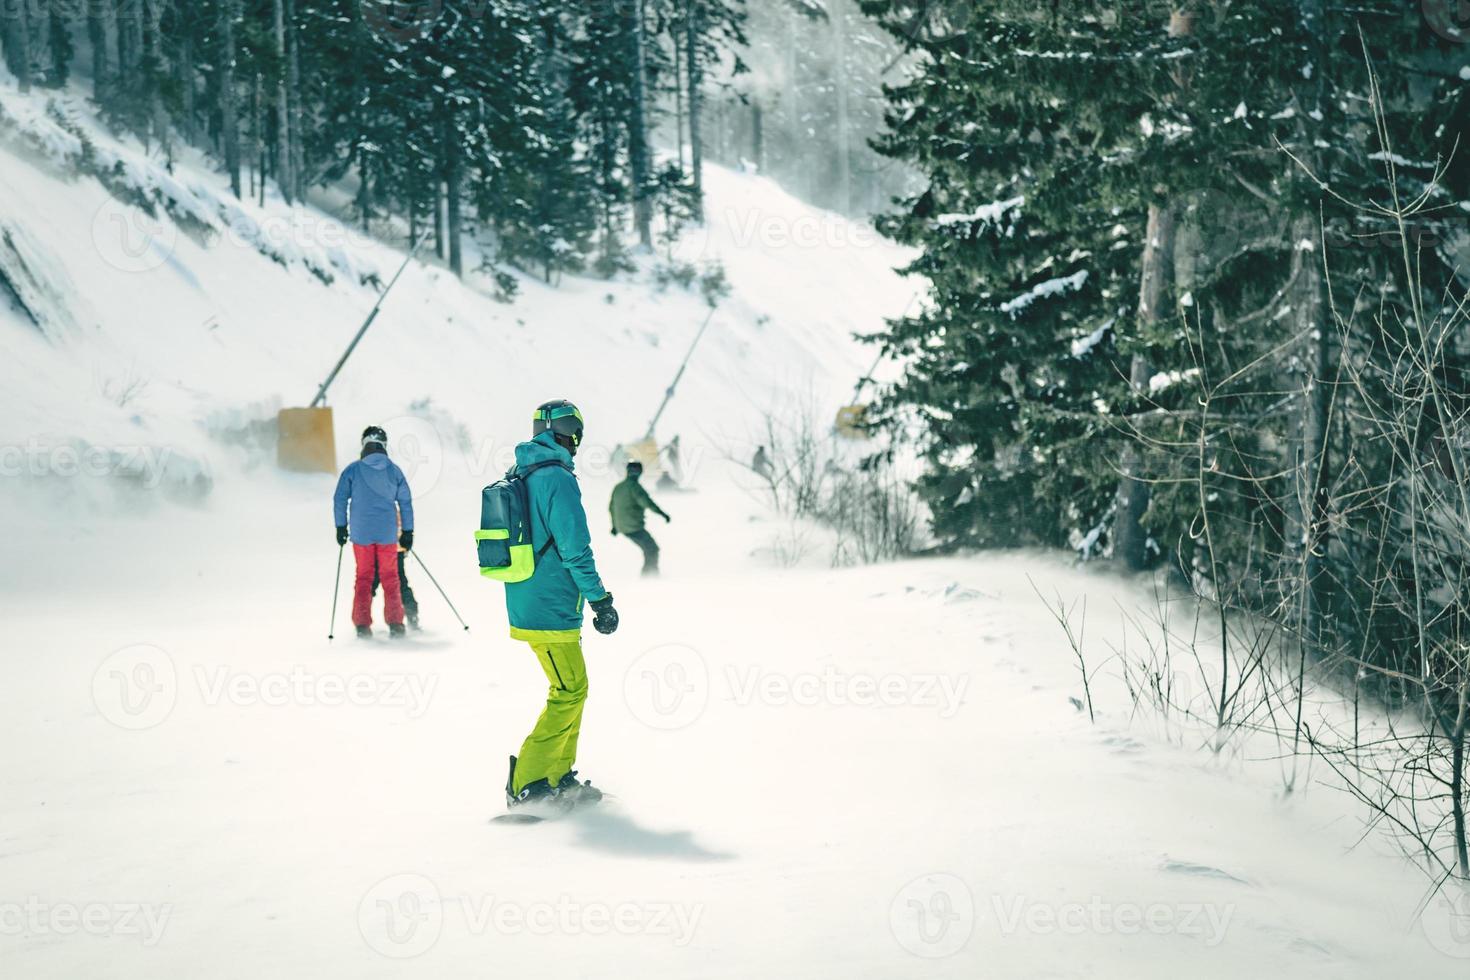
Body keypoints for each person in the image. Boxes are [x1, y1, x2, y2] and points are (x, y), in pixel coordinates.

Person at [503, 400, 619, 810]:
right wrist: (600, 599)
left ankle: (556, 776)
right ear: (569, 432)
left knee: (571, 688)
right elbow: (575, 549)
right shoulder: (556, 478)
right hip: (548, 604)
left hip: (533, 598)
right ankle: (529, 783)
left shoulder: (525, 472)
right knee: (569, 690)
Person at [333, 425, 414, 640]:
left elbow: (339, 498)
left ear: (364, 444)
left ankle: (362, 625)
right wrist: (408, 531)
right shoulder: (394, 470)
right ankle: (396, 624)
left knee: (364, 577)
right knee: (391, 577)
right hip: (387, 533)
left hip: (361, 534)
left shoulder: (352, 470)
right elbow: (405, 501)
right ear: (384, 445)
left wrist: (340, 527)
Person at [609, 460, 670, 576]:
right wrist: (663, 514)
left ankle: (649, 574)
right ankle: (650, 576)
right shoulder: (635, 487)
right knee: (652, 549)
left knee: (649, 548)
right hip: (633, 527)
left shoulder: (618, 487)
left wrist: (614, 526)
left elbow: (611, 507)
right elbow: (647, 503)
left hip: (623, 526)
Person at [371, 514, 420, 631]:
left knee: (373, 582)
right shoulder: (392, 502)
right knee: (398, 581)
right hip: (392, 547)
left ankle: (362, 623)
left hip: (387, 548)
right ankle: (411, 615)